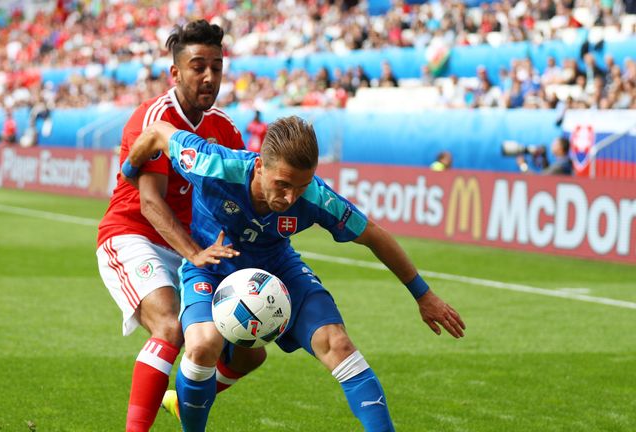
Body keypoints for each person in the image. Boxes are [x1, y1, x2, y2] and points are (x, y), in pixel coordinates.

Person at [122, 116, 466, 431]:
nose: (290, 197)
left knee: (339, 344)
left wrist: (423, 295)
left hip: (279, 270)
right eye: (283, 184)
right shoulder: (212, 164)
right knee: (202, 346)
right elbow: (156, 133)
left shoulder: (316, 196)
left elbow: (373, 234)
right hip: (212, 268)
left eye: (301, 187)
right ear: (260, 167)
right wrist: (129, 166)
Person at [96, 20, 264, 431]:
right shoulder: (155, 119)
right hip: (133, 234)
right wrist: (195, 254)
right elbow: (150, 203)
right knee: (170, 327)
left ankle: (180, 398)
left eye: (217, 67)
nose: (209, 77)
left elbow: (238, 201)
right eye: (198, 66)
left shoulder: (224, 128)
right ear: (175, 72)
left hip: (192, 248)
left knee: (248, 352)